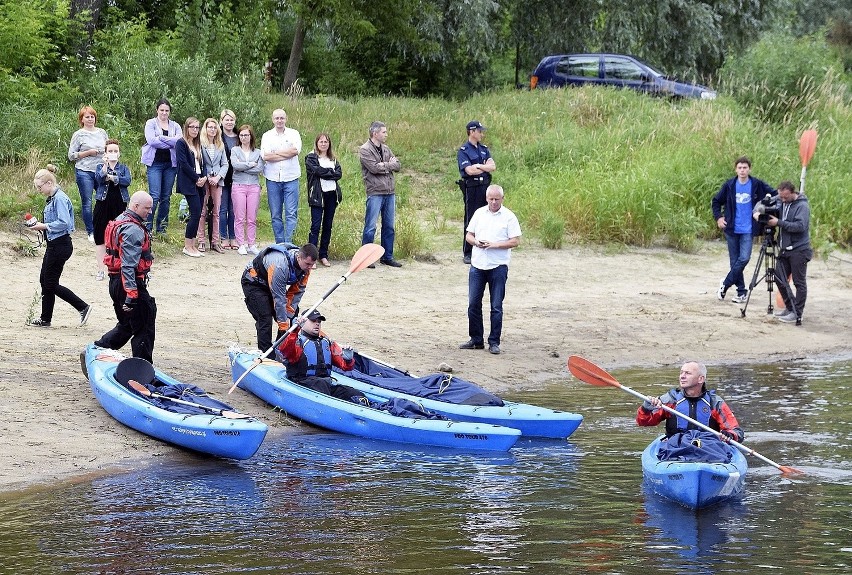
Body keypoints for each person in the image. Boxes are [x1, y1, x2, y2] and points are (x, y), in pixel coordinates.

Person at [94, 192, 156, 364]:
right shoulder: (133, 229)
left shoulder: (120, 219)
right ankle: (142, 368)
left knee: (127, 325)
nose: (150, 212)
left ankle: (98, 349)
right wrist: (132, 294)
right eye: (147, 208)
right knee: (145, 324)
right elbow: (128, 265)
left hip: (115, 283)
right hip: (128, 285)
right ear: (135, 206)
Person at [459, 185, 521, 355]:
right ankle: (476, 339)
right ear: (486, 198)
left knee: (496, 306)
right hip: (478, 264)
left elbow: (515, 241)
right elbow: (468, 235)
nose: (493, 202)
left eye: (497, 199)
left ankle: (494, 341)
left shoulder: (509, 217)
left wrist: (496, 245)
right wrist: (476, 242)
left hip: (498, 266)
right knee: (473, 304)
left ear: (502, 198)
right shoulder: (479, 213)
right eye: (491, 199)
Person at [28, 165, 92, 328]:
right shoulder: (53, 198)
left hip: (60, 245)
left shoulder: (60, 199)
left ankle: (82, 307)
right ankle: (45, 318)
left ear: (49, 183)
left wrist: (43, 226)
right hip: (54, 245)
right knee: (45, 280)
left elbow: (64, 223)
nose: (38, 190)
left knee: (50, 282)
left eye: (39, 187)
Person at [711, 156, 776, 304]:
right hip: (732, 228)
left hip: (748, 228)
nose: (742, 170)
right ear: (736, 169)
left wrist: (764, 207)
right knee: (735, 261)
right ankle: (741, 292)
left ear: (749, 169)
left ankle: (725, 284)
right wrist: (719, 218)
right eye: (739, 168)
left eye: (745, 168)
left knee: (744, 258)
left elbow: (773, 193)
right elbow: (716, 201)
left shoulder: (757, 184)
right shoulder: (729, 185)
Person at [636, 361, 744, 443]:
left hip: (708, 447)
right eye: (681, 373)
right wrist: (646, 408)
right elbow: (643, 422)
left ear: (700, 379)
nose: (682, 376)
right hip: (676, 446)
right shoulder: (670, 400)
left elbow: (737, 432)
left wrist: (729, 435)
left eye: (687, 373)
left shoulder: (714, 403)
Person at [276, 309, 368, 403]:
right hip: (302, 383)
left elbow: (345, 367)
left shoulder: (327, 343)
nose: (317, 324)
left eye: (319, 321)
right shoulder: (297, 342)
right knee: (321, 384)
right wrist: (295, 330)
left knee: (355, 394)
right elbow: (286, 351)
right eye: (313, 321)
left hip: (325, 385)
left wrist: (348, 360)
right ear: (303, 322)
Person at [241, 242, 318, 353]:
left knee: (292, 313)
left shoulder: (305, 268)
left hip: (273, 283)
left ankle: (281, 348)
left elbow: (296, 292)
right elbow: (279, 298)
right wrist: (283, 325)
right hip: (254, 282)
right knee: (265, 316)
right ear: (299, 257)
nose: (310, 268)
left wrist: (289, 315)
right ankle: (266, 353)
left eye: (312, 264)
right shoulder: (280, 265)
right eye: (308, 264)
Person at [761, 181, 812, 324]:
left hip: (799, 250)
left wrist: (778, 222)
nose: (782, 200)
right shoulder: (781, 199)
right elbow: (763, 202)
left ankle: (797, 313)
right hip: (784, 249)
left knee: (799, 282)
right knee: (778, 277)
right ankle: (790, 308)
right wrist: (758, 211)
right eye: (780, 197)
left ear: (792, 193)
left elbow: (800, 226)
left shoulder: (802, 206)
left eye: (785, 197)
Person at [360, 121, 403, 267]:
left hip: (390, 192)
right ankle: (366, 258)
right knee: (371, 226)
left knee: (389, 226)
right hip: (375, 192)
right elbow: (373, 168)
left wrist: (384, 165)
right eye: (384, 132)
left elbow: (397, 165)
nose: (386, 134)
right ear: (375, 133)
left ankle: (387, 256)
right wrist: (388, 165)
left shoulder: (386, 148)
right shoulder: (365, 149)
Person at [140, 98, 182, 233]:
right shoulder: (150, 123)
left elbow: (179, 142)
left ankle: (162, 228)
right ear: (157, 110)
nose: (164, 112)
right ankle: (147, 227)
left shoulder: (175, 125)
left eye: (167, 110)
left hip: (171, 165)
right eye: (162, 110)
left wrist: (162, 138)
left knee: (166, 197)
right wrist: (170, 141)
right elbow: (152, 141)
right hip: (154, 164)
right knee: (154, 195)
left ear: (170, 111)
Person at [457, 120, 496, 264]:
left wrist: (478, 166)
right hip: (472, 188)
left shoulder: (484, 149)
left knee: (487, 217)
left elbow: (492, 166)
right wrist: (482, 166)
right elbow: (469, 170)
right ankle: (468, 252)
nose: (481, 134)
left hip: (485, 187)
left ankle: (484, 246)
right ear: (472, 132)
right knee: (471, 219)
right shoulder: (464, 151)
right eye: (479, 131)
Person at [260, 108, 302, 244]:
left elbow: (295, 151)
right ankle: (280, 244)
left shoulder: (294, 134)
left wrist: (276, 154)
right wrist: (285, 153)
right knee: (276, 214)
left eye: (282, 118)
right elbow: (266, 156)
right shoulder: (267, 136)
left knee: (291, 213)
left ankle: (289, 244)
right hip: (273, 179)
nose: (279, 121)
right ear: (273, 120)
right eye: (277, 118)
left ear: (286, 119)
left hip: (291, 178)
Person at [68, 105, 108, 242]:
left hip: (101, 170)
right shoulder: (78, 134)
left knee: (104, 199)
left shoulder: (102, 132)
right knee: (87, 202)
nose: (90, 119)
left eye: (92, 116)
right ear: (82, 119)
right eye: (87, 117)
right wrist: (88, 153)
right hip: (84, 171)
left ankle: (104, 227)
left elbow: (109, 149)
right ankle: (91, 231)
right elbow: (71, 155)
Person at [93, 139, 131, 281]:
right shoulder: (100, 166)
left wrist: (113, 177)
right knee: (100, 237)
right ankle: (100, 269)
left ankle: (118, 267)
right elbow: (99, 179)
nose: (113, 153)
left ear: (119, 153)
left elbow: (127, 181)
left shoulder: (124, 168)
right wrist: (105, 166)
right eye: (110, 151)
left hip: (119, 204)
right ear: (105, 153)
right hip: (102, 204)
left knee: (119, 237)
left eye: (115, 151)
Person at [305, 133, 343, 268]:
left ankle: (323, 255)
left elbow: (338, 174)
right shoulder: (311, 157)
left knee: (327, 226)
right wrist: (329, 173)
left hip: (331, 195)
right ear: (316, 143)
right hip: (317, 196)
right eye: (321, 141)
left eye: (326, 142)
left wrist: (327, 173)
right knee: (315, 226)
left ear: (329, 143)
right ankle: (311, 257)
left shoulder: (333, 158)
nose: (323, 144)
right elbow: (316, 171)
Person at [175, 117, 207, 257]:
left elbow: (204, 163)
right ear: (186, 128)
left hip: (200, 181)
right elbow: (183, 164)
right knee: (194, 213)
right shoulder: (181, 143)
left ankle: (193, 245)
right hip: (189, 182)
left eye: (197, 127)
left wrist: (204, 177)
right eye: (192, 127)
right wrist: (196, 178)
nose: (195, 130)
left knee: (199, 213)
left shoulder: (198, 144)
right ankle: (187, 246)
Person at [230, 124, 264, 256]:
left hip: (254, 186)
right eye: (242, 135)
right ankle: (241, 243)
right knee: (239, 217)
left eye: (246, 135)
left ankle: (251, 243)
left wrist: (243, 166)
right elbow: (235, 165)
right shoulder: (235, 150)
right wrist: (250, 164)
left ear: (251, 136)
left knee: (251, 217)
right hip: (239, 185)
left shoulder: (258, 152)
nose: (244, 137)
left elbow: (259, 168)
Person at [197, 117, 229, 253]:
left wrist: (218, 177)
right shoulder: (200, 144)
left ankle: (215, 242)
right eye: (210, 127)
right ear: (205, 128)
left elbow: (225, 164)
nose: (212, 130)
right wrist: (206, 177)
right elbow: (198, 161)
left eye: (215, 127)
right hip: (204, 180)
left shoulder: (220, 145)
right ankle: (201, 241)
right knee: (202, 211)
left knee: (216, 212)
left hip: (217, 181)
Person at [219, 109, 239, 249]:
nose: (229, 122)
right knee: (222, 208)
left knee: (234, 210)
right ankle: (223, 237)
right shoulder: (218, 136)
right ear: (221, 121)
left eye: (231, 119)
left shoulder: (239, 136)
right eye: (226, 119)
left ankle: (233, 237)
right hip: (222, 177)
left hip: (237, 177)